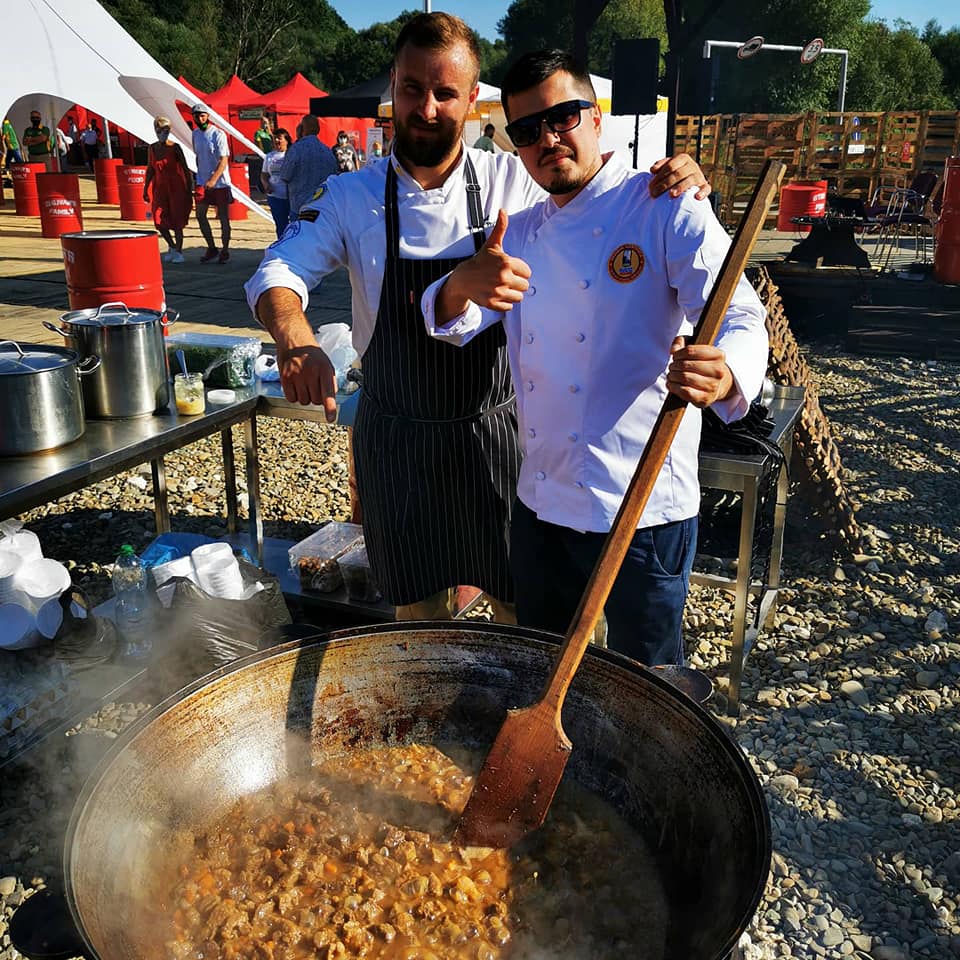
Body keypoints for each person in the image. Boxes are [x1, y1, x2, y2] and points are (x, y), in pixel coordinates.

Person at [244, 12, 709, 622]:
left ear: (470, 101)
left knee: (527, 619)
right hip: (398, 443)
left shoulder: (514, 179)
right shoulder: (350, 195)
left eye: (446, 94)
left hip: (499, 436)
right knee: (419, 623)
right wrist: (297, 339)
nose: (427, 108)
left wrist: (680, 177)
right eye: (413, 88)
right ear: (394, 86)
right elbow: (277, 271)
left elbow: (600, 189)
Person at [422, 49, 767, 665]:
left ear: (596, 115)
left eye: (563, 118)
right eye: (527, 131)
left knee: (649, 677)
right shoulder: (519, 232)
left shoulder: (664, 205)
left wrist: (727, 369)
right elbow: (447, 321)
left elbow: (739, 312)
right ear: (515, 146)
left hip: (643, 505)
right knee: (543, 663)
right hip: (542, 503)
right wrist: (458, 286)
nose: (548, 139)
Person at [143, 115, 192, 263]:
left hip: (176, 187)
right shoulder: (152, 148)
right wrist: (145, 188)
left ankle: (179, 251)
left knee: (177, 220)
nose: (163, 133)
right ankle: (171, 246)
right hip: (160, 188)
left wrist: (189, 189)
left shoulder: (175, 147)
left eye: (166, 130)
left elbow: (185, 168)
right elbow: (150, 169)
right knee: (158, 220)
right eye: (161, 130)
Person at [190, 103, 232, 264]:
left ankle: (225, 249)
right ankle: (211, 247)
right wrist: (199, 178)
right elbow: (197, 156)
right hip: (202, 180)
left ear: (207, 116)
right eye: (197, 116)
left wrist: (213, 179)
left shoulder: (218, 134)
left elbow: (224, 160)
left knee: (223, 217)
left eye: (202, 115)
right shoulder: (195, 134)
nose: (200, 118)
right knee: (200, 215)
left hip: (220, 183)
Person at [279, 114, 337, 220]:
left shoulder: (295, 150)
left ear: (301, 129)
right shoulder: (327, 151)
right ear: (318, 130)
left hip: (299, 207)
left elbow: (285, 176)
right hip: (322, 207)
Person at [260, 127, 291, 238]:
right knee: (280, 225)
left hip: (291, 196)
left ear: (286, 140)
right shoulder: (269, 156)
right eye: (275, 138)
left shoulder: (292, 155)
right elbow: (264, 175)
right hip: (275, 196)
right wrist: (266, 185)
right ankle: (282, 248)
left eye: (279, 138)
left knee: (293, 225)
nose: (277, 141)